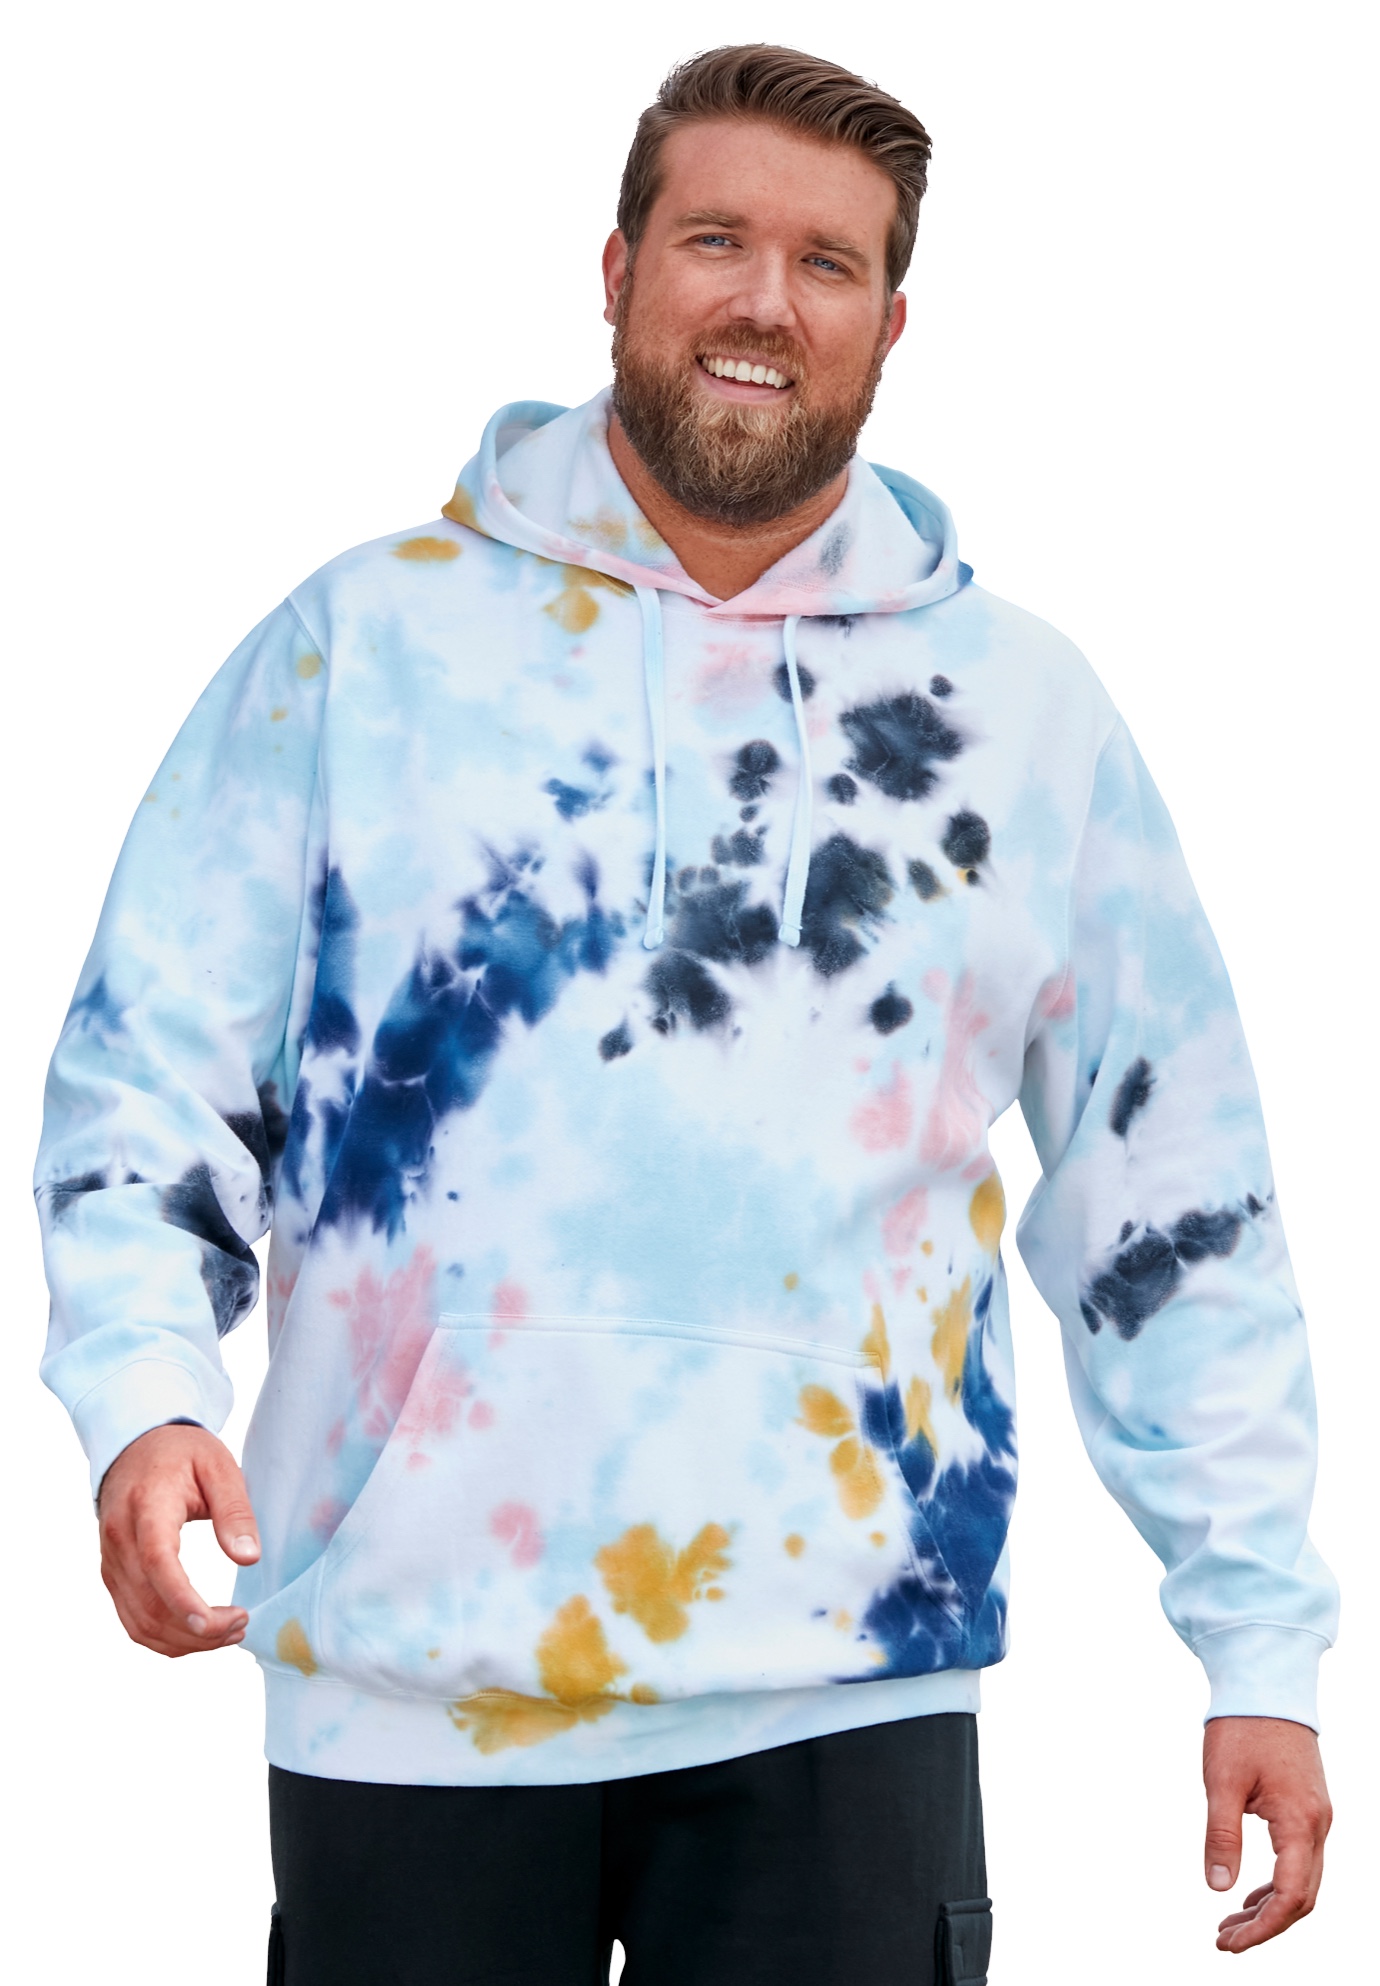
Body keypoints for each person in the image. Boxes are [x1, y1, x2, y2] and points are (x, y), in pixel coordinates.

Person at [34, 42, 1336, 1986]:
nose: (764, 301)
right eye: (717, 240)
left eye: (828, 262)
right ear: (619, 268)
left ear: (892, 323)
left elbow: (1172, 1202)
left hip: (852, 1684)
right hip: (415, 1681)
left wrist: (1259, 1643)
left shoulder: (1022, 716)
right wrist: (143, 1391)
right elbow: (152, 1063)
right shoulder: (365, 644)